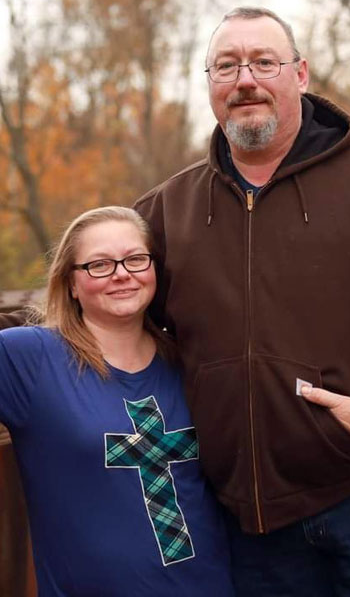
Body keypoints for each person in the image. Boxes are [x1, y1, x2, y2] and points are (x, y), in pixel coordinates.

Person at [133, 6, 350, 597]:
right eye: (226, 66)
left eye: (263, 62)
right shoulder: (166, 211)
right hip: (253, 519)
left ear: (299, 75)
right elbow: (107, 306)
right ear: (210, 87)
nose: (245, 79)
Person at [0, 206, 234, 597]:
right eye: (99, 265)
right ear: (70, 283)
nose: (122, 273)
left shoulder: (188, 362)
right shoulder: (29, 359)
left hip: (210, 585)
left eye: (135, 259)